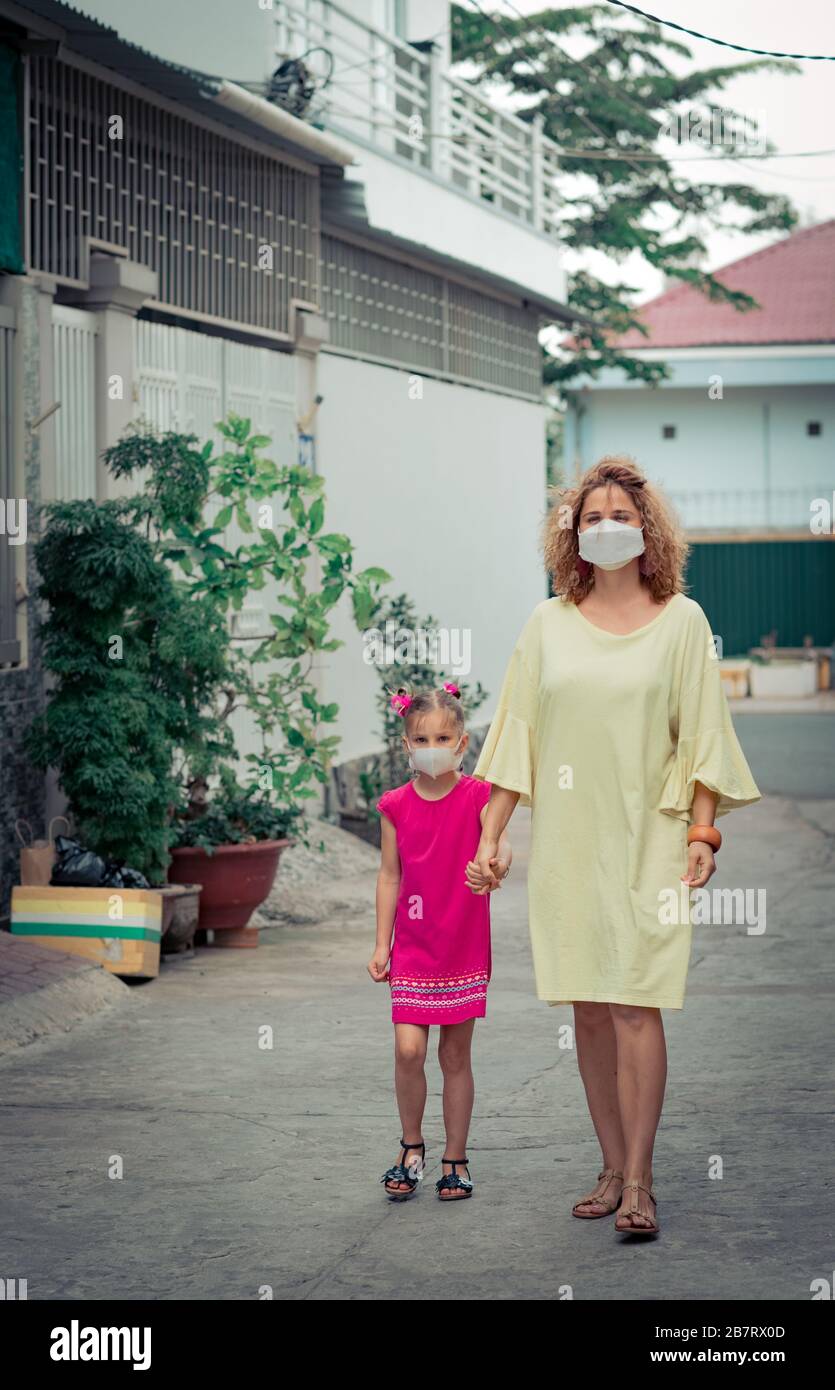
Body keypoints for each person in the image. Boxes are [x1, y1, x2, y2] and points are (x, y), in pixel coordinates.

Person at [471, 456, 761, 1238]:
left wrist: (702, 831)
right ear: (570, 531)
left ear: (646, 531)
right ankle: (606, 1166)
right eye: (590, 515)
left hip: (652, 841)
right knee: (591, 1011)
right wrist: (492, 835)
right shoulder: (546, 624)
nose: (605, 527)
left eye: (620, 516)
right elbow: (516, 738)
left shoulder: (683, 622)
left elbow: (703, 735)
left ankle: (640, 1180)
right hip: (568, 843)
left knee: (638, 1004)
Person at [369, 680, 512, 1202]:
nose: (433, 748)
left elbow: (501, 847)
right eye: (422, 739)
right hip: (412, 947)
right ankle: (411, 1148)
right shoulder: (395, 805)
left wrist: (493, 865)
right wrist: (381, 943)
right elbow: (389, 876)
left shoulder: (479, 797)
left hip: (461, 947)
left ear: (462, 742)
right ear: (407, 746)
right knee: (409, 1050)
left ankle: (456, 1157)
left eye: (443, 737)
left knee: (455, 1057)